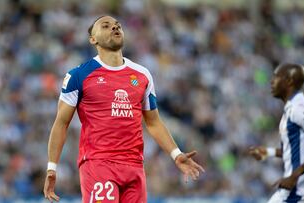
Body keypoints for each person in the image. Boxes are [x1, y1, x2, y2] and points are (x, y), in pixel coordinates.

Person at [43, 15, 204, 203]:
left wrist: (176, 154)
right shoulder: (78, 75)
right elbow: (61, 123)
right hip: (99, 163)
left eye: (117, 25)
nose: (114, 28)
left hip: (134, 166)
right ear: (92, 39)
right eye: (106, 25)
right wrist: (52, 167)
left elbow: (153, 122)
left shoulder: (142, 75)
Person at [249, 64, 304, 203]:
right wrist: (268, 152)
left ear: (289, 81)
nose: (271, 81)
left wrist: (295, 176)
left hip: (300, 191)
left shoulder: (300, 107)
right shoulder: (290, 109)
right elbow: (294, 151)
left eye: (276, 77)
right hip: (296, 189)